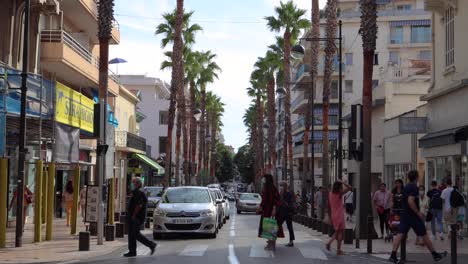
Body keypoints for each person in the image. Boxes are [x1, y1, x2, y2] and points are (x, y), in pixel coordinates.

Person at [389, 171, 447, 263]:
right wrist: (418, 212)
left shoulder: (406, 187)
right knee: (424, 234)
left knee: (400, 234)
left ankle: (393, 255)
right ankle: (435, 255)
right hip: (413, 216)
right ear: (416, 177)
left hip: (405, 214)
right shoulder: (414, 187)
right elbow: (410, 201)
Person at [124, 177, 156, 257]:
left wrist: (134, 215)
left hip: (137, 217)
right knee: (131, 234)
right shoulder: (136, 192)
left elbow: (139, 205)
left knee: (135, 234)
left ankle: (151, 244)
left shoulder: (138, 192)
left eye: (133, 182)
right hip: (134, 216)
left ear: (138, 184)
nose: (132, 184)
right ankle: (132, 251)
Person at [257, 174, 284, 251]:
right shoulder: (266, 188)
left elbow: (276, 200)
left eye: (264, 178)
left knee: (271, 226)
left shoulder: (272, 188)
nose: (263, 180)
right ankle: (270, 243)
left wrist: (274, 209)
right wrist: (260, 207)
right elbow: (264, 200)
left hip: (271, 210)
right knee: (268, 226)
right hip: (266, 211)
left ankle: (272, 244)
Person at [326, 180, 352, 256]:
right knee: (339, 232)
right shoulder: (339, 194)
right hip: (340, 215)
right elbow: (350, 187)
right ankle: (332, 246)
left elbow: (329, 205)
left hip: (334, 214)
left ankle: (336, 248)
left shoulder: (330, 194)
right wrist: (343, 182)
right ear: (339, 187)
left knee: (338, 232)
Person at [277, 181, 296, 247]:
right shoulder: (280, 193)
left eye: (281, 185)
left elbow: (290, 203)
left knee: (290, 227)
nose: (280, 187)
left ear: (285, 186)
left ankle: (291, 241)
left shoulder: (289, 194)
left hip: (288, 213)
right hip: (281, 213)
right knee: (277, 225)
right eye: (280, 185)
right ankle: (272, 239)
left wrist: (284, 202)